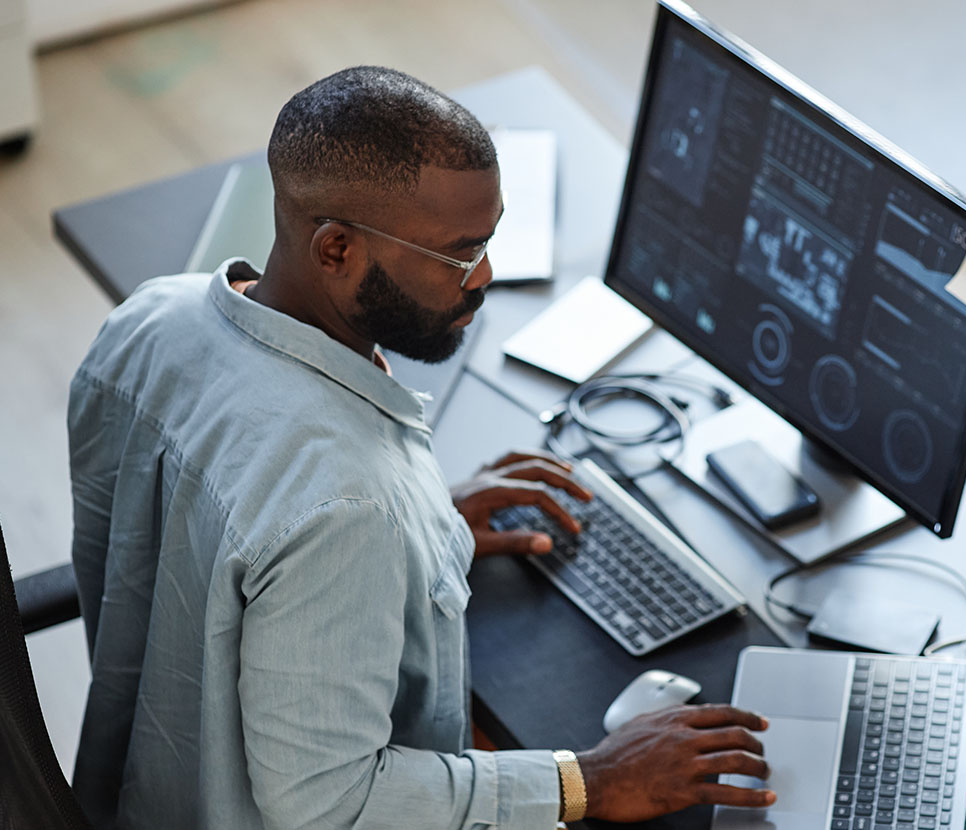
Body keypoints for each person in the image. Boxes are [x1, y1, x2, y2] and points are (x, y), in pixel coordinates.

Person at [68, 66, 776, 829]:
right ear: (335, 249)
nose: (487, 276)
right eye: (459, 254)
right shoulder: (345, 505)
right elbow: (327, 803)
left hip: (135, 788)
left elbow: (213, 532)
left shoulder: (149, 318)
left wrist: (421, 534)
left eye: (490, 239)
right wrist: (588, 782)